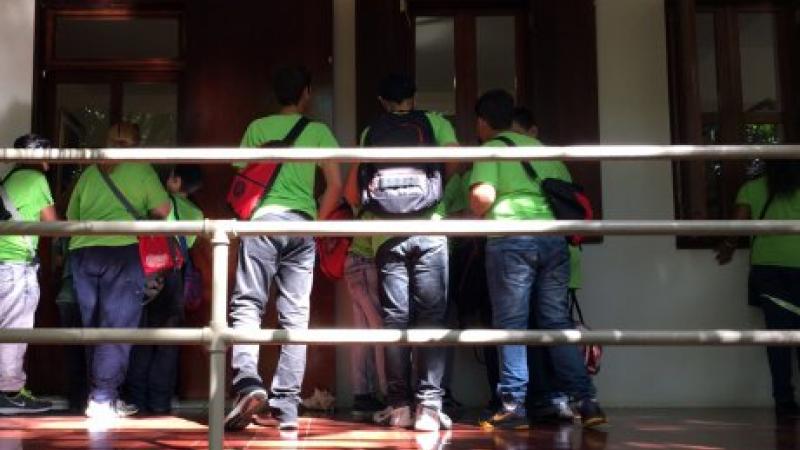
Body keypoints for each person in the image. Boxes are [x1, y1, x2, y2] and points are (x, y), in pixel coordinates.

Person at [469, 90, 606, 430]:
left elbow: (482, 197)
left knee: (511, 326)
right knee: (556, 323)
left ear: (484, 123)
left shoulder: (492, 150)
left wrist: (475, 209)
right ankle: (587, 402)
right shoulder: (545, 150)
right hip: (553, 240)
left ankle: (514, 407)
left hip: (511, 241)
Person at [225, 66, 343, 432]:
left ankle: (247, 382)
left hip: (262, 222)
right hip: (300, 225)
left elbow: (241, 172)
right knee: (296, 316)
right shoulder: (320, 132)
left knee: (248, 303)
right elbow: (336, 185)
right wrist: (316, 224)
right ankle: (286, 404)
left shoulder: (258, 128)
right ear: (306, 93)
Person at [344, 73, 457, 432]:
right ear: (414, 96)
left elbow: (352, 191)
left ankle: (399, 406)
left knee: (395, 320)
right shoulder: (435, 123)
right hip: (430, 229)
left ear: (381, 101)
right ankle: (429, 406)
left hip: (386, 236)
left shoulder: (370, 131)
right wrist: (435, 189)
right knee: (431, 318)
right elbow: (456, 160)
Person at [67, 122, 173, 419]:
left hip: (83, 251)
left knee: (92, 325)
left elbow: (72, 214)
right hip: (123, 251)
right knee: (118, 324)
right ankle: (103, 398)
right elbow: (163, 210)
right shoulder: (141, 170)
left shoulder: (90, 172)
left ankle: (97, 394)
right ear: (136, 144)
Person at [716, 160, 800, 418]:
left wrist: (728, 248)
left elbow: (738, 225)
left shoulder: (751, 188)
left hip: (768, 270)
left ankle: (784, 403)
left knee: (777, 339)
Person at [512, 106, 576, 423]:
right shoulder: (554, 158)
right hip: (559, 250)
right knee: (554, 323)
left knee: (518, 326)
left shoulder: (498, 153)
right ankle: (571, 397)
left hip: (518, 246)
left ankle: (521, 402)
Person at [125, 165, 204, 415]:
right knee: (168, 343)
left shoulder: (160, 204)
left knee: (142, 339)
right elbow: (188, 244)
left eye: (168, 176)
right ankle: (160, 400)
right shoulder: (197, 213)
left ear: (176, 182)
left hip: (148, 273)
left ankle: (136, 398)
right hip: (175, 276)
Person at [0, 134, 58, 415]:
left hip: (3, 262)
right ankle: (8, 392)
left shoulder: (8, 180)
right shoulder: (36, 180)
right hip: (15, 266)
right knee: (15, 327)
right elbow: (53, 224)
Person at [343, 215, 388, 418]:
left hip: (354, 261)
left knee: (363, 332)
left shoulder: (361, 193)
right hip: (367, 262)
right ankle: (390, 394)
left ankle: (363, 396)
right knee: (381, 330)